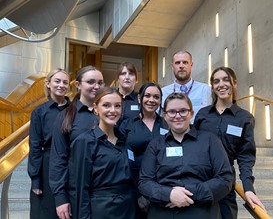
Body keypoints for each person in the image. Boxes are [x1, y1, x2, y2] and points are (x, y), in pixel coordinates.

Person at [138, 92, 233, 219]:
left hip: (201, 212)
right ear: (164, 115)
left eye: (183, 111)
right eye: (172, 112)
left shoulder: (211, 141)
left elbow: (225, 179)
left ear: (191, 114)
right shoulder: (155, 145)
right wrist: (169, 194)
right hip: (163, 212)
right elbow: (144, 182)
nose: (177, 116)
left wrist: (188, 193)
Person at [193, 66, 266, 219]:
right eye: (216, 81)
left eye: (226, 79)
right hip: (199, 179)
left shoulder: (244, 118)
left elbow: (246, 156)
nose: (221, 84)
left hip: (225, 182)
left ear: (234, 84)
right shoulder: (202, 114)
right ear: (212, 87)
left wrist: (248, 188)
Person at [68, 87, 136, 219]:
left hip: (128, 210)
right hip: (101, 211)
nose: (113, 110)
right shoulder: (85, 142)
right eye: (106, 105)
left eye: (117, 106)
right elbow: (80, 188)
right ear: (95, 108)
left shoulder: (124, 142)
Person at [49, 65, 104, 219]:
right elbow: (58, 159)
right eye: (91, 82)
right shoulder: (66, 117)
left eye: (100, 82)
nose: (97, 86)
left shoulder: (109, 114)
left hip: (106, 194)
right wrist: (60, 198)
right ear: (78, 85)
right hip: (76, 193)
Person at [119, 82, 169, 218]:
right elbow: (120, 156)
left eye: (156, 97)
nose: (151, 100)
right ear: (139, 98)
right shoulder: (127, 125)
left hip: (162, 186)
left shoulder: (167, 125)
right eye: (147, 96)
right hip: (133, 186)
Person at [28, 68, 70, 219]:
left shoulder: (75, 110)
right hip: (47, 165)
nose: (61, 85)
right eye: (57, 81)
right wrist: (36, 179)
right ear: (48, 84)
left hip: (70, 162)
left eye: (65, 82)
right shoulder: (39, 112)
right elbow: (35, 146)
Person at [161, 50, 212, 122]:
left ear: (191, 65)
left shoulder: (205, 90)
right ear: (172, 66)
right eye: (177, 63)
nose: (181, 66)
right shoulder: (163, 92)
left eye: (185, 62)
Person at [116, 62, 140, 126]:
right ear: (118, 79)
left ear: (136, 79)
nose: (127, 77)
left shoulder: (141, 99)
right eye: (123, 74)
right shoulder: (110, 97)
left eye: (131, 74)